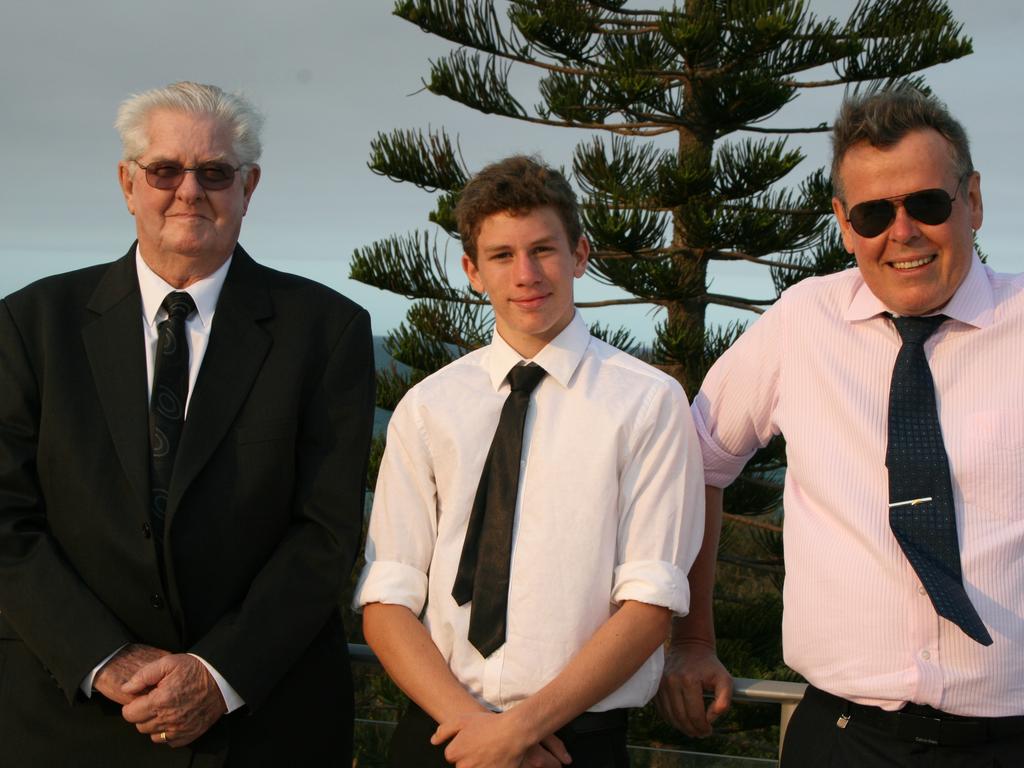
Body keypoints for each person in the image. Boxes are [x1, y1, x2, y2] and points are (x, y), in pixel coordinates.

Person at [0, 82, 375, 766]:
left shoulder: (327, 331)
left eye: (215, 172)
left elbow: (326, 531)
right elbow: (5, 518)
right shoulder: (31, 325)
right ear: (127, 182)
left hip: (261, 721)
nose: (188, 191)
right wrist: (104, 658)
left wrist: (216, 673)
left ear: (248, 185)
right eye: (165, 170)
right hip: (67, 719)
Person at [657, 86, 1024, 765]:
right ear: (842, 221)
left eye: (928, 203)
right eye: (873, 213)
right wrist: (692, 640)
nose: (902, 231)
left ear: (971, 200)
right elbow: (695, 460)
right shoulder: (801, 323)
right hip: (844, 741)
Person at [354, 155, 705, 768]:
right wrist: (478, 733)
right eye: (501, 255)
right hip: (442, 732)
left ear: (580, 255)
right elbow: (387, 597)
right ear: (472, 271)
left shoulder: (648, 402)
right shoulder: (426, 407)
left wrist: (520, 732)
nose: (526, 274)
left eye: (544, 249)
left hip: (571, 743)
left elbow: (650, 605)